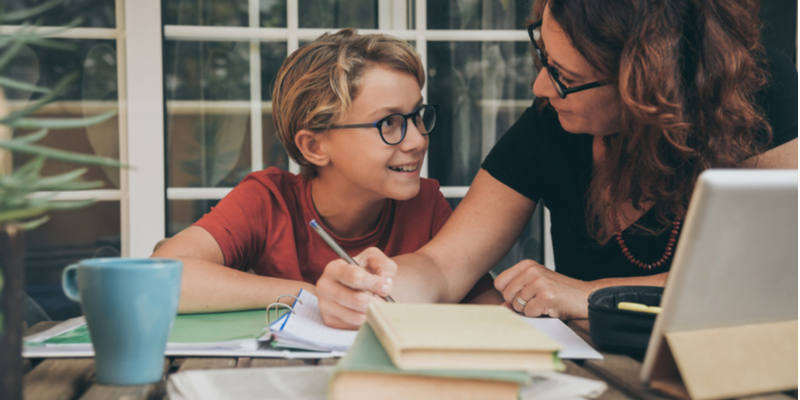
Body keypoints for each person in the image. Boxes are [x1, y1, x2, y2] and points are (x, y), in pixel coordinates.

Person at [315, 0, 798, 329]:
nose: (541, 88)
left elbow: (775, 276)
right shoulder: (552, 122)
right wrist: (376, 285)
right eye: (543, 57)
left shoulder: (757, 92)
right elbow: (444, 266)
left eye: (566, 76)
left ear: (648, 85)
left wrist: (588, 294)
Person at [152, 29, 497, 313]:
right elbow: (160, 277)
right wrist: (310, 294)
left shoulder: (425, 205)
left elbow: (490, 309)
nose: (417, 139)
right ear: (314, 147)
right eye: (389, 123)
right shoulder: (268, 201)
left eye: (417, 116)